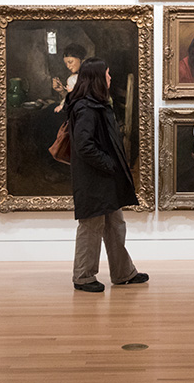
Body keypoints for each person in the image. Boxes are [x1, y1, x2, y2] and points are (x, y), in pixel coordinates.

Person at [67, 57, 148, 292]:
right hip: (94, 178)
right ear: (97, 79)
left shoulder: (96, 103)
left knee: (115, 224)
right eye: (107, 74)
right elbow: (84, 146)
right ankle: (83, 276)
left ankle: (123, 272)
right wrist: (109, 163)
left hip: (104, 177)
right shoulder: (85, 107)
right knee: (91, 226)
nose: (110, 78)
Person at [52, 44, 86, 114]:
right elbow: (70, 98)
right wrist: (62, 91)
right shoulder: (71, 79)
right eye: (66, 64)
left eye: (70, 62)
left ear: (81, 60)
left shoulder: (90, 76)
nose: (68, 66)